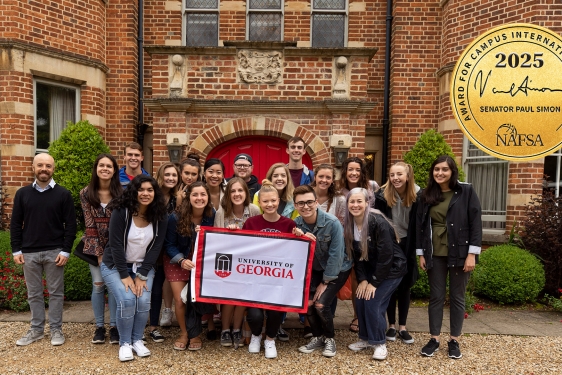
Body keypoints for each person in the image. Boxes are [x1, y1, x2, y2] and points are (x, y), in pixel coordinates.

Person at [416, 155, 482, 359]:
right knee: (435, 297)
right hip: (434, 253)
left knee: (457, 297)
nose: (440, 173)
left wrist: (472, 254)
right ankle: (434, 339)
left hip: (460, 252)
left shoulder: (466, 191)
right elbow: (420, 226)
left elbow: (476, 223)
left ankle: (454, 340)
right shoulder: (425, 194)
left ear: (452, 171)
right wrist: (421, 253)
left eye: (444, 169)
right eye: (436, 169)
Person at [11, 153, 77, 347]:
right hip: (29, 252)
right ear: (33, 167)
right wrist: (16, 250)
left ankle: (56, 329)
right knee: (34, 294)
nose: (44, 169)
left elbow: (71, 225)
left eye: (48, 166)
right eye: (40, 165)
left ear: (53, 169)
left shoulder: (63, 194)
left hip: (55, 252)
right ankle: (37, 330)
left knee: (56, 293)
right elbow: (15, 224)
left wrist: (66, 251)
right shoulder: (22, 194)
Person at [100, 175, 168, 361]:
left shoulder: (160, 215)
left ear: (155, 193)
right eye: (141, 189)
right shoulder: (121, 211)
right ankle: (125, 343)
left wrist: (142, 274)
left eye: (150, 190)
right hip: (115, 265)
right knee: (128, 300)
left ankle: (137, 339)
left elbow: (156, 247)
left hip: (143, 267)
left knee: (143, 300)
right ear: (134, 191)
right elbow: (114, 245)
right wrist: (125, 274)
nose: (145, 193)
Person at [344, 188, 406, 361]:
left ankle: (379, 343)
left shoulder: (378, 222)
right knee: (361, 299)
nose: (355, 205)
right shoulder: (349, 224)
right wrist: (363, 280)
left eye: (359, 201)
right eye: (352, 201)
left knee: (373, 302)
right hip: (373, 270)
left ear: (367, 203)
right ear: (347, 203)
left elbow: (386, 256)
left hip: (392, 269)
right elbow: (358, 257)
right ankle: (365, 338)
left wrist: (374, 282)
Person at [293, 185, 352, 358]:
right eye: (301, 203)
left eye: (310, 202)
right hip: (315, 269)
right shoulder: (296, 224)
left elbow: (336, 256)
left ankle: (330, 339)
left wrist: (325, 283)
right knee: (308, 304)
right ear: (295, 205)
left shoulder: (332, 223)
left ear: (317, 202)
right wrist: (297, 236)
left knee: (321, 304)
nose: (306, 206)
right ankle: (317, 336)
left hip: (338, 268)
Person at [242, 179, 297, 359]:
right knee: (255, 315)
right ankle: (257, 335)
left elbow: (296, 252)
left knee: (275, 311)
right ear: (260, 202)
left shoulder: (289, 225)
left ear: (278, 200)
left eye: (273, 200)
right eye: (265, 201)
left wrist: (302, 236)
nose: (270, 204)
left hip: (278, 280)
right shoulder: (250, 223)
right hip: (255, 280)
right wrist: (233, 231)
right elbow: (242, 248)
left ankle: (270, 339)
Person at [164, 181, 216, 351]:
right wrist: (181, 260)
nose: (199, 198)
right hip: (177, 260)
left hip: (200, 261)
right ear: (188, 197)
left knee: (197, 298)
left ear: (208, 197)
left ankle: (196, 333)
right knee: (180, 300)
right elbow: (169, 245)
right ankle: (185, 333)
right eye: (195, 194)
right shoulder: (175, 217)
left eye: (203, 194)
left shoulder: (211, 215)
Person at [374, 162, 420, 344]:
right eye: (392, 175)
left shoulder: (419, 195)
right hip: (390, 241)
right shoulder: (383, 195)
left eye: (399, 174)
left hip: (409, 242)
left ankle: (403, 326)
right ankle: (391, 325)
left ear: (408, 176)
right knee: (390, 282)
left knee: (405, 284)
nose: (395, 178)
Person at [79, 153, 122, 345]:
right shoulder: (86, 193)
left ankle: (114, 327)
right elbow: (89, 225)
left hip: (116, 245)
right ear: (96, 169)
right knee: (98, 285)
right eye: (101, 166)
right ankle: (99, 326)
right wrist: (99, 254)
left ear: (114, 171)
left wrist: (112, 251)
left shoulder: (122, 193)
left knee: (113, 287)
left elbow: (122, 224)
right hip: (94, 244)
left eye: (109, 166)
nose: (105, 169)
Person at [214, 177, 260, 348]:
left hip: (247, 261)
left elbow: (259, 235)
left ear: (246, 193)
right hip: (227, 260)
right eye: (233, 191)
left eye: (240, 190)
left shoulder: (254, 210)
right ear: (228, 194)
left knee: (242, 296)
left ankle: (237, 329)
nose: (237, 194)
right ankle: (225, 329)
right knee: (228, 297)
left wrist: (242, 232)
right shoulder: (221, 211)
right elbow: (216, 239)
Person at [338, 156, 380, 333]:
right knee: (355, 275)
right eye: (350, 169)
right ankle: (356, 314)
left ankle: (368, 314)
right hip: (346, 236)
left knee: (369, 275)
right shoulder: (339, 190)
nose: (354, 173)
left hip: (368, 236)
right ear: (345, 172)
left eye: (357, 169)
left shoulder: (372, 187)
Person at [148, 162, 179, 343]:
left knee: (158, 289)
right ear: (161, 175)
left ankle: (153, 327)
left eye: (174, 175)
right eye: (167, 174)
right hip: (148, 248)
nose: (171, 178)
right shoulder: (151, 196)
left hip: (165, 250)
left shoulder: (178, 199)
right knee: (146, 289)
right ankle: (139, 327)